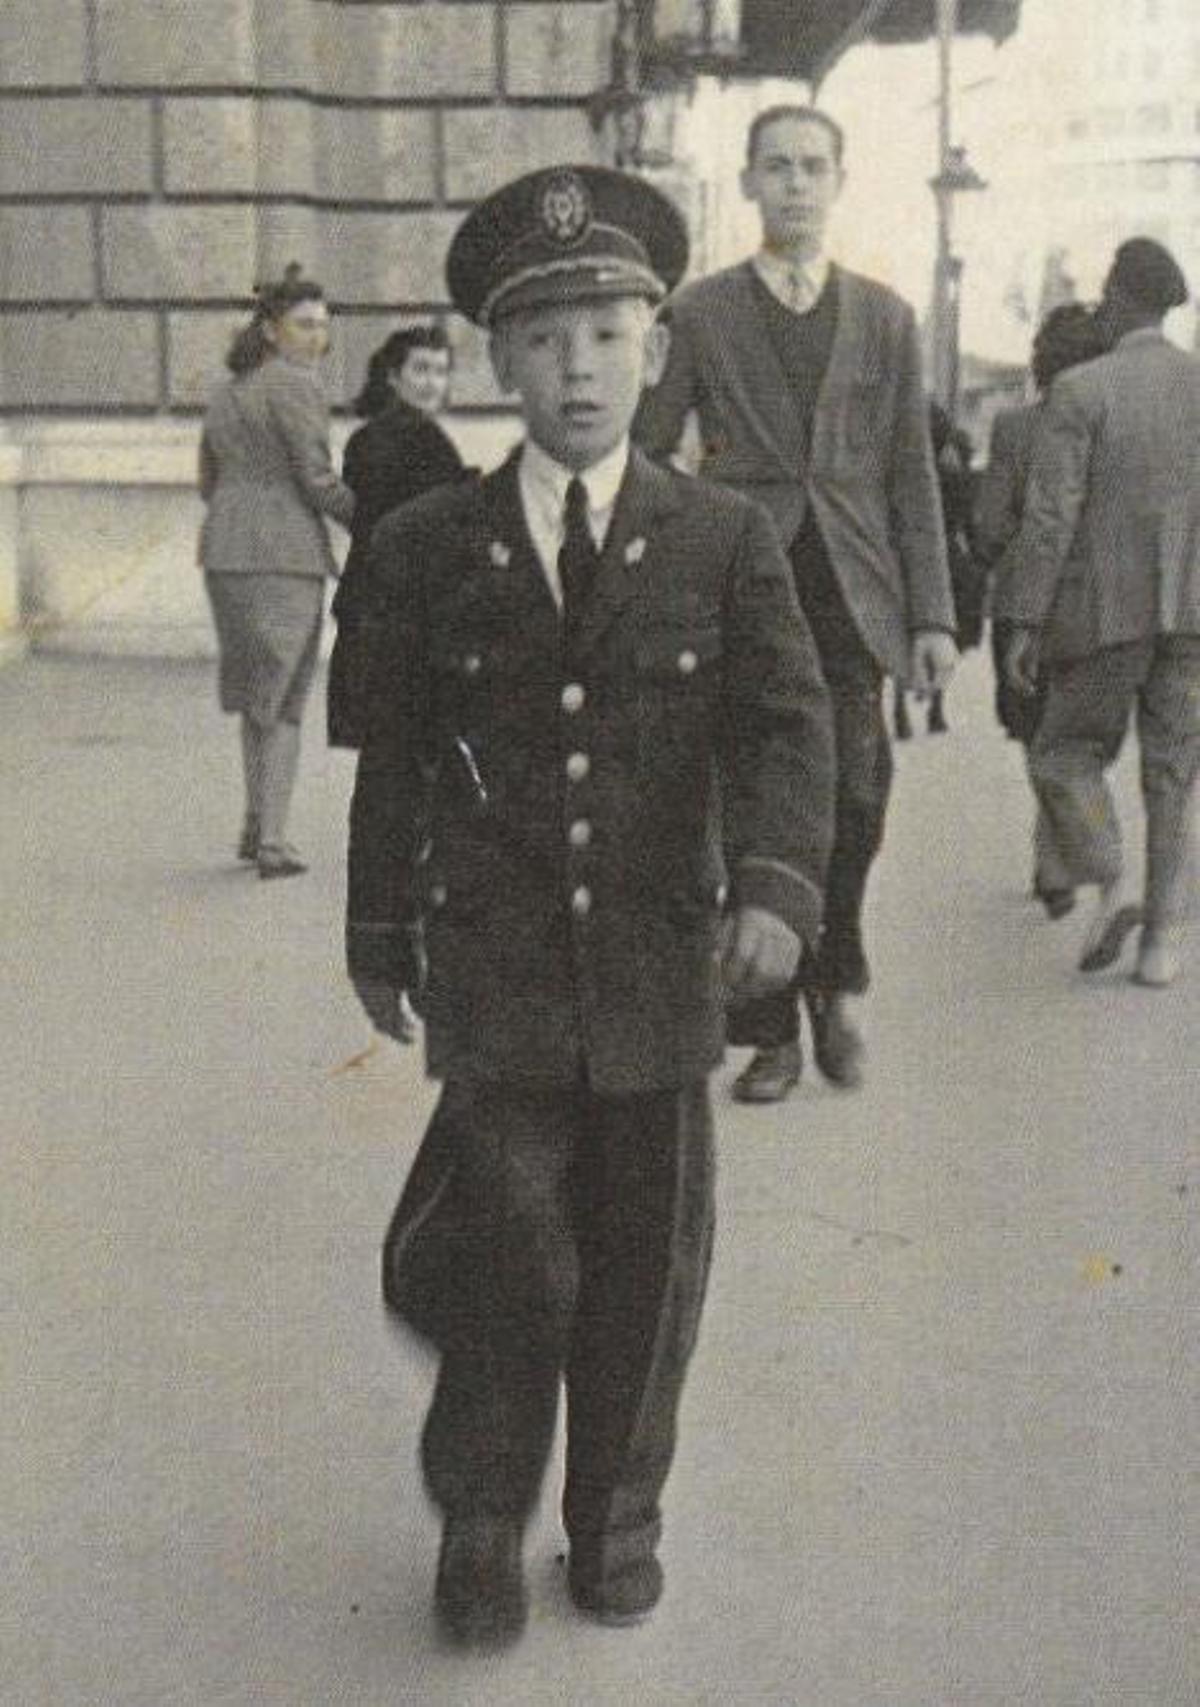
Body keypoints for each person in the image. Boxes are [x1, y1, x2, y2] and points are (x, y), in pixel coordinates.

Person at [346, 164, 835, 1649]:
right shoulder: (430, 547)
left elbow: (784, 726)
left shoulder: (724, 538)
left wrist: (776, 886)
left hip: (654, 972)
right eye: (546, 340)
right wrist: (376, 933)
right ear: (501, 361)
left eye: (607, 336)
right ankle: (482, 1520)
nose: (578, 369)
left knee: (645, 1267)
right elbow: (396, 758)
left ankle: (614, 1520)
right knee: (511, 1260)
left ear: (654, 350)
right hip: (495, 975)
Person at [635, 104, 956, 1100]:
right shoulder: (698, 313)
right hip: (740, 589)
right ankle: (767, 1027)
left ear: (839, 181)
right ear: (747, 185)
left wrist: (935, 617)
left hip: (856, 597)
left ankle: (835, 973)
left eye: (814, 166)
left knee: (856, 801)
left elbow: (913, 474)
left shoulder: (887, 317)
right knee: (747, 805)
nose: (796, 185)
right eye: (777, 167)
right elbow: (647, 451)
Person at [999, 238, 1200, 987]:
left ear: (1118, 295)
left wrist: (1023, 620)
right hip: (1193, 614)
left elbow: (1050, 519)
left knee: (1063, 754)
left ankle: (1111, 872)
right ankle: (1158, 949)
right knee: (1174, 774)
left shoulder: (1082, 390)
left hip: (1103, 612)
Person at [199, 263, 353, 878]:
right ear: (271, 329)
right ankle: (274, 841)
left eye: (322, 327)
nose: (317, 338)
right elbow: (318, 480)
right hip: (284, 554)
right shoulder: (296, 386)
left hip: (226, 552)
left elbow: (208, 481)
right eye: (305, 325)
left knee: (254, 697)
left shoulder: (228, 391)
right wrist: (376, 519)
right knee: (285, 700)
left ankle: (254, 822)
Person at [975, 303, 1105, 918]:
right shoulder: (1111, 423)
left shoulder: (1014, 430)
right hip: (1096, 602)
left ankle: (1056, 856)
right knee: (1074, 733)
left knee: (1034, 729)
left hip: (1024, 598)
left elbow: (989, 524)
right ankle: (1056, 852)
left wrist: (1002, 547)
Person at [327, 324, 466, 748]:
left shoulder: (366, 437)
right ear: (394, 375)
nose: (432, 383)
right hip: (410, 607)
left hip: (369, 599)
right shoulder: (425, 440)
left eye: (441, 372)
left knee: (382, 756)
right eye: (421, 369)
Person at [893, 401, 983, 739]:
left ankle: (900, 706)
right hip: (945, 554)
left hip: (900, 553)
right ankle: (936, 707)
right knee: (948, 626)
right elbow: (970, 521)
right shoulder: (955, 470)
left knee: (901, 627)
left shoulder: (901, 464)